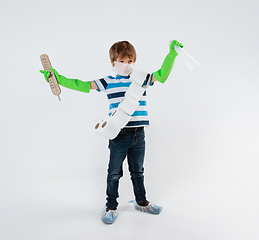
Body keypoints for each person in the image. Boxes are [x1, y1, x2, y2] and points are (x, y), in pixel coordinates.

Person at [40, 40, 183, 224]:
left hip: (139, 134)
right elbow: (82, 85)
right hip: (118, 133)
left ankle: (141, 202)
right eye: (122, 61)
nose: (127, 65)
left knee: (138, 171)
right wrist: (58, 79)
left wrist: (171, 54)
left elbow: (162, 75)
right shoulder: (107, 81)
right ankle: (111, 206)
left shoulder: (141, 78)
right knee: (114, 172)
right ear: (113, 62)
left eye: (130, 61)